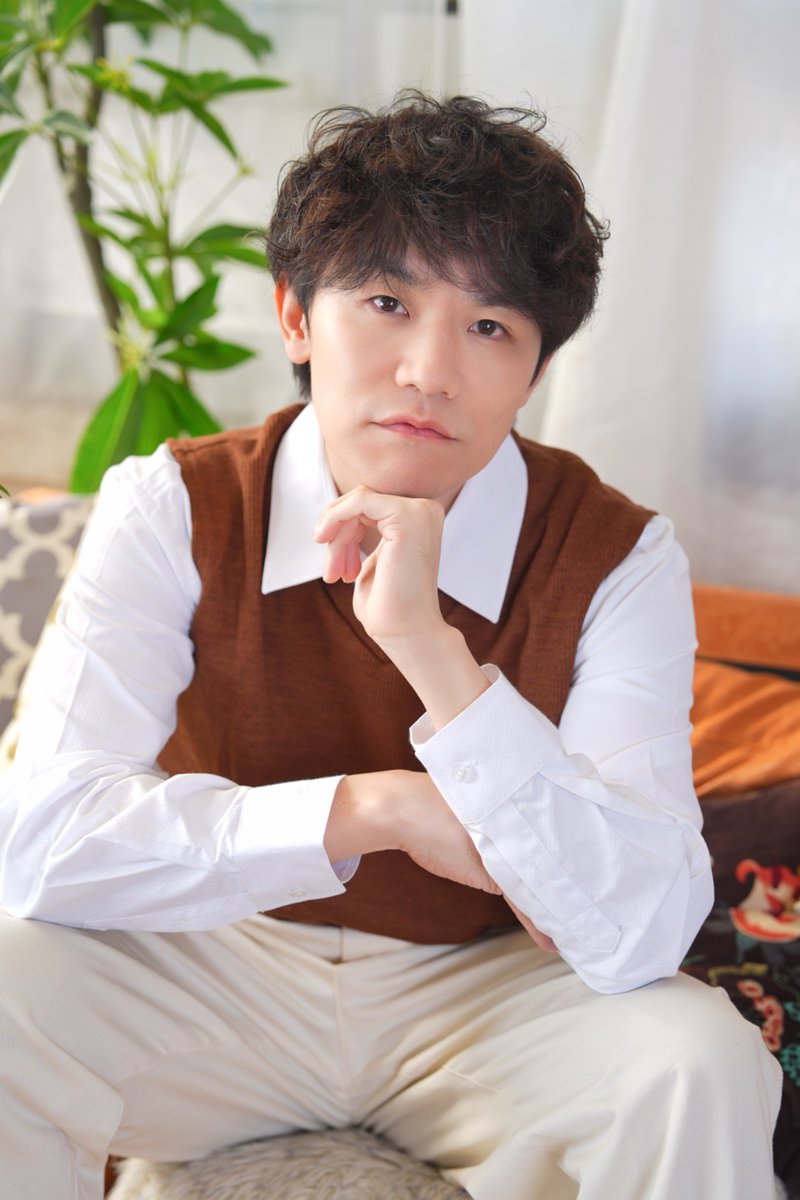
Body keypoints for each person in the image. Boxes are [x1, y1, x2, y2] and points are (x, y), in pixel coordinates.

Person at [0, 92, 782, 1199]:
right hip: (213, 968)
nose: (428, 369)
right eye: (385, 302)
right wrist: (380, 809)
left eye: (489, 327)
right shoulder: (175, 502)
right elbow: (39, 845)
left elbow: (639, 930)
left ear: (535, 370)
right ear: (294, 317)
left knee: (696, 1062)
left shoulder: (617, 554)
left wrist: (431, 652)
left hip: (485, 1001)